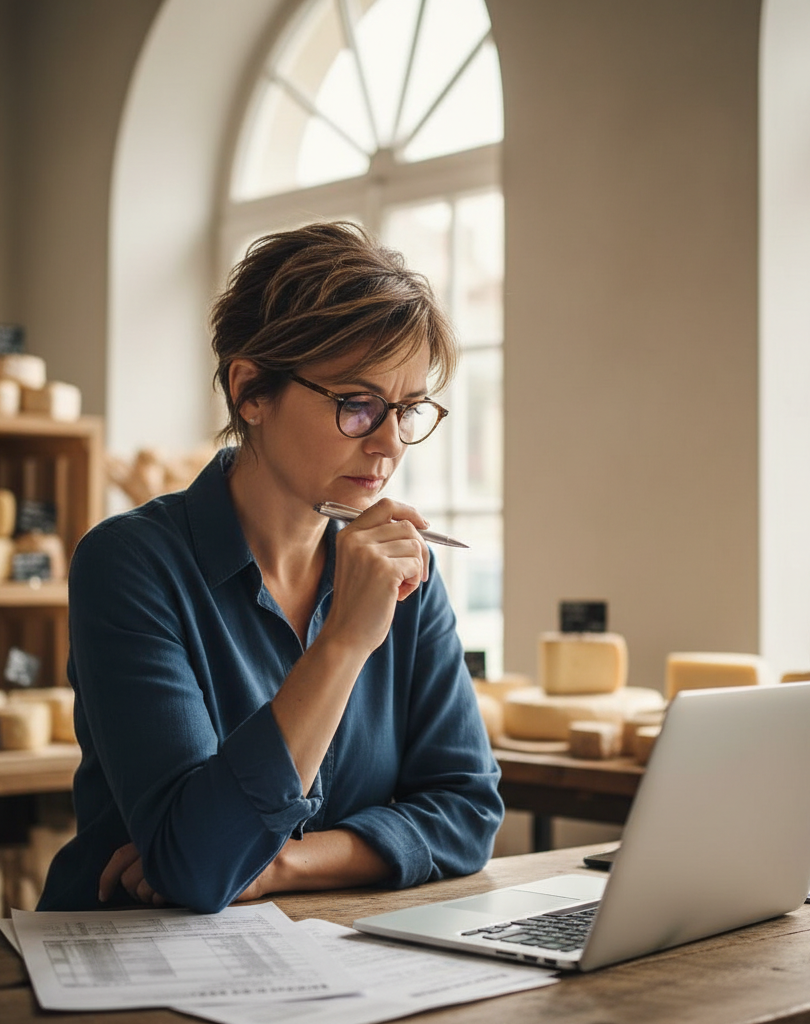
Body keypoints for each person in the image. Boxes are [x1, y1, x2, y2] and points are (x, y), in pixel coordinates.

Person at [38, 222, 503, 913]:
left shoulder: (406, 572)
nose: (389, 444)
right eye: (358, 406)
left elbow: (468, 811)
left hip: (325, 956)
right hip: (126, 958)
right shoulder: (129, 564)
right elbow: (198, 866)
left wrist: (282, 863)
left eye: (407, 411)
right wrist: (343, 642)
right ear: (251, 389)